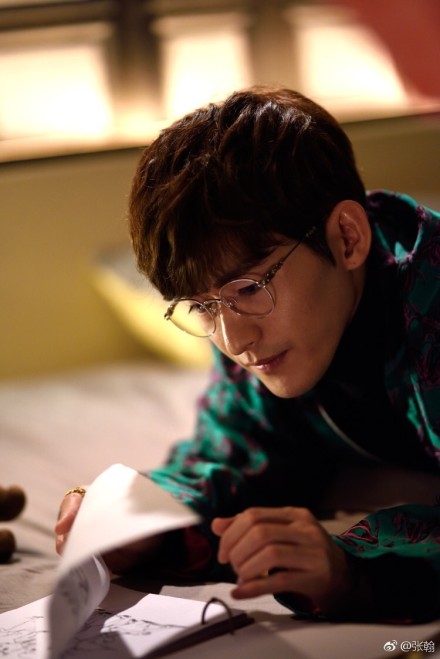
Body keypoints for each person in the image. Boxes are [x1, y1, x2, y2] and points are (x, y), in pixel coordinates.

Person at [56, 87, 440, 623]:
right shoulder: (244, 323)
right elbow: (234, 455)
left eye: (252, 288)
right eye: (201, 306)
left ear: (347, 238)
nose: (234, 342)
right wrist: (140, 520)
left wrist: (353, 571)